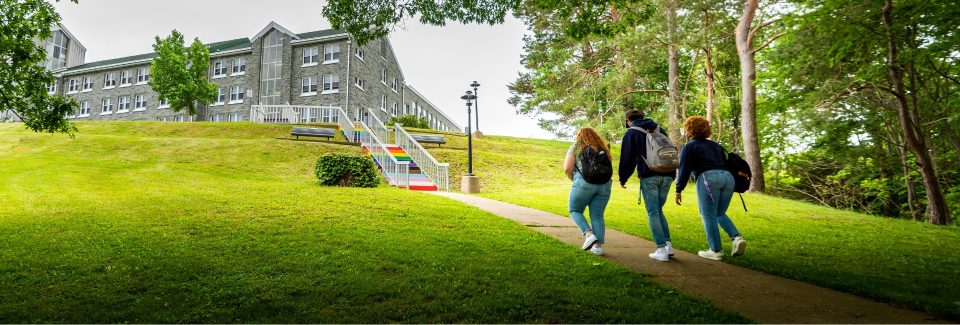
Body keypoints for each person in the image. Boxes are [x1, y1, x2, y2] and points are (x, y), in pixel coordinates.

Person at [675, 116, 746, 261]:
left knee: (707, 215)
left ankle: (715, 250)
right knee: (719, 213)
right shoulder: (715, 145)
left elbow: (684, 169)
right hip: (728, 179)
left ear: (690, 130)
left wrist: (678, 189)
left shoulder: (690, 146)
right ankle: (737, 238)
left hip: (709, 178)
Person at [618, 109, 676, 262]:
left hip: (649, 175)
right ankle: (668, 247)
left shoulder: (632, 133)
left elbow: (627, 158)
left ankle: (661, 249)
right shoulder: (659, 128)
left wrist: (623, 178)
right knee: (658, 210)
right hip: (667, 174)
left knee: (653, 213)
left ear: (628, 120)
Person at [564, 127, 613, 256]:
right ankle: (598, 247)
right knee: (597, 215)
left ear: (579, 136)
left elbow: (568, 167)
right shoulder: (602, 148)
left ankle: (589, 234)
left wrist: (572, 178)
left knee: (574, 210)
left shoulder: (577, 146)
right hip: (605, 185)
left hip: (583, 183)